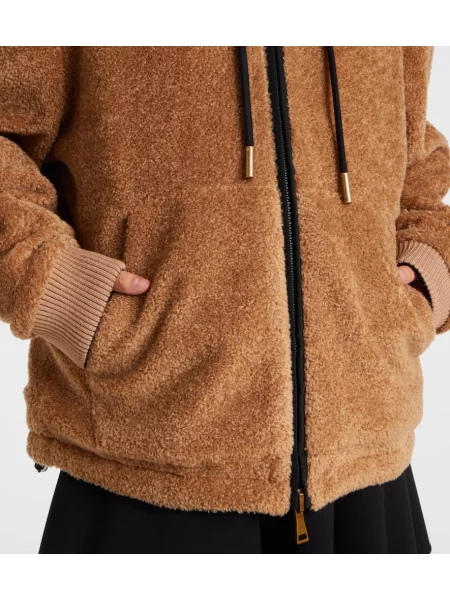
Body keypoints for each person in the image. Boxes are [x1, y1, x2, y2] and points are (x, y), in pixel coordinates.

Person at [0, 46, 449, 554]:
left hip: (367, 455)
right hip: (147, 455)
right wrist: (55, 283)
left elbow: (411, 145)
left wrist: (428, 270)